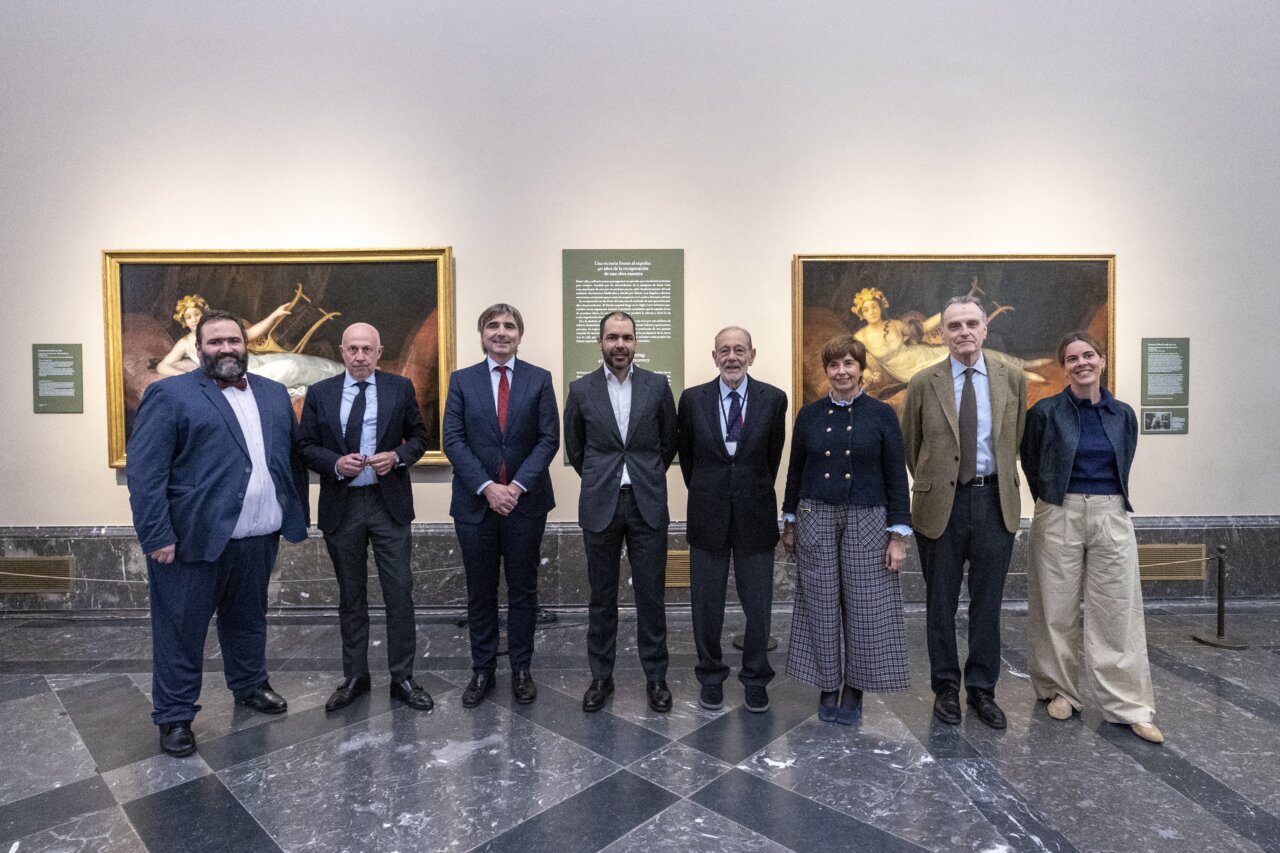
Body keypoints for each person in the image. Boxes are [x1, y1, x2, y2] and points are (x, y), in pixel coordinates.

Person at [127, 310, 309, 757]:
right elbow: (146, 474)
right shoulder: (169, 394)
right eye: (215, 342)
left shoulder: (272, 393)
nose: (227, 348)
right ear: (198, 345)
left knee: (248, 620)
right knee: (181, 630)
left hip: (258, 534)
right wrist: (156, 536)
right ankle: (174, 715)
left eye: (234, 341)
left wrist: (294, 511)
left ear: (245, 344)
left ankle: (249, 685)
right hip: (191, 541)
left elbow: (288, 458)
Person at [1020, 332, 1163, 743]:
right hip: (1058, 510)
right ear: (1063, 367)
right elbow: (1032, 461)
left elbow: (1127, 456)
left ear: (1102, 361)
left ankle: (1128, 704)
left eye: (1088, 356)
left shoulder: (1123, 414)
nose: (1081, 363)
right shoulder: (1045, 412)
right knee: (1055, 607)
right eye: (1071, 358)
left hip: (1110, 513)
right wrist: (1053, 500)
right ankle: (1059, 690)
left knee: (1118, 609)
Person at [901, 296, 1026, 729]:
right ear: (942, 335)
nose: (964, 332)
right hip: (942, 506)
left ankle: (982, 690)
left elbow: (1016, 437)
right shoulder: (923, 382)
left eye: (972, 323)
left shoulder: (1011, 377)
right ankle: (946, 689)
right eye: (954, 326)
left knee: (987, 603)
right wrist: (942, 481)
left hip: (995, 502)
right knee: (940, 603)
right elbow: (911, 446)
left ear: (985, 329)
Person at [297, 323, 433, 713]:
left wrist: (399, 457)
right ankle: (355, 676)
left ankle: (402, 677)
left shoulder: (399, 388)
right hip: (343, 505)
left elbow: (420, 438)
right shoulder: (320, 393)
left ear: (378, 352)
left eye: (367, 350)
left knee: (399, 593)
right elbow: (305, 446)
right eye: (353, 349)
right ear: (342, 351)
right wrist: (336, 463)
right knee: (351, 597)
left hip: (388, 504)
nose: (360, 356)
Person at [780, 336, 911, 723]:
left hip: (868, 518)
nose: (841, 372)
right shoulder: (809, 414)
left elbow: (896, 478)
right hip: (815, 515)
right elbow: (795, 472)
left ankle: (855, 689)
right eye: (834, 365)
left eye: (849, 364)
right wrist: (789, 522)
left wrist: (897, 536)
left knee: (866, 607)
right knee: (818, 605)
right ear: (827, 371)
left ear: (861, 369)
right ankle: (827, 684)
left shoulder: (882, 414)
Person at [443, 304, 560, 707]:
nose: (501, 332)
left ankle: (522, 669)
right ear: (481, 335)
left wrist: (517, 486)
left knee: (524, 590)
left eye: (509, 326)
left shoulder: (539, 379)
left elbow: (549, 439)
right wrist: (488, 486)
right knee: (480, 592)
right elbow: (452, 440)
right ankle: (483, 670)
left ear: (519, 335)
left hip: (525, 504)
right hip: (476, 506)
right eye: (493, 326)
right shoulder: (461, 381)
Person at [564, 311, 678, 713]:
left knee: (652, 597)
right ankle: (601, 677)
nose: (620, 345)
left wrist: (642, 474)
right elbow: (575, 449)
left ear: (636, 342)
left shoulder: (657, 386)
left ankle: (657, 678)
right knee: (601, 597)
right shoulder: (580, 390)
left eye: (627, 338)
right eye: (612, 337)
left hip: (646, 502)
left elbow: (669, 443)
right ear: (600, 342)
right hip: (600, 503)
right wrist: (603, 477)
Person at [677, 326, 787, 713]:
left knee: (758, 605)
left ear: (752, 355)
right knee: (706, 604)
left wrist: (746, 490)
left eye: (739, 350)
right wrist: (713, 491)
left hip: (755, 516)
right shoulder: (691, 400)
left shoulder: (774, 399)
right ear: (714, 356)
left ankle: (756, 677)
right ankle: (710, 675)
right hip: (706, 515)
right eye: (724, 350)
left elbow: (771, 459)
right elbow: (688, 462)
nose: (732, 357)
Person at [156, 293, 342, 393]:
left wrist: (274, 315)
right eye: (188, 317)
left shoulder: (220, 326)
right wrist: (196, 377)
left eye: (196, 313)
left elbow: (251, 333)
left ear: (203, 312)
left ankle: (344, 373)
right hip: (247, 374)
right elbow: (163, 366)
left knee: (299, 360)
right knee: (292, 367)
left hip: (254, 362)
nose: (194, 319)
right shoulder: (185, 343)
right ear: (184, 321)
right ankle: (340, 381)